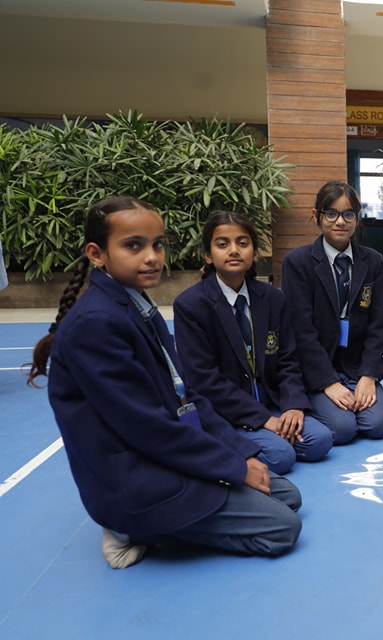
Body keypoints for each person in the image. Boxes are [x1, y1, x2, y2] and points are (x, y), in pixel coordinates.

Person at [27, 197, 302, 569]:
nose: (152, 256)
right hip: (137, 476)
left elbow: (187, 396)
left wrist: (241, 452)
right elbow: (149, 428)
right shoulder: (96, 324)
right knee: (283, 527)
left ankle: (188, 507)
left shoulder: (139, 307)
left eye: (157, 244)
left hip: (164, 454)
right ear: (97, 253)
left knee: (286, 494)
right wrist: (233, 469)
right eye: (133, 245)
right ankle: (132, 528)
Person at [173, 211, 333, 474]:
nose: (234, 250)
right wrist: (264, 420)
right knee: (281, 457)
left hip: (271, 402)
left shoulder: (272, 298)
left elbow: (288, 359)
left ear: (255, 253)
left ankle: (267, 436)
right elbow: (205, 381)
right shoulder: (191, 306)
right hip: (226, 413)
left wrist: (293, 404)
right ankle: (225, 442)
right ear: (208, 255)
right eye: (222, 244)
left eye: (243, 243)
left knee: (320, 441)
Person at [282, 180, 383, 444]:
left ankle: (356, 389)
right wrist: (327, 382)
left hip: (356, 368)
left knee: (378, 425)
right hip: (318, 369)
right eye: (331, 213)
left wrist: (369, 376)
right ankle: (310, 401)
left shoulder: (373, 261)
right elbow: (301, 331)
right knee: (343, 430)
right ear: (317, 215)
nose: (340, 222)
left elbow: (378, 325)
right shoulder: (298, 263)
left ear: (358, 217)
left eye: (348, 214)